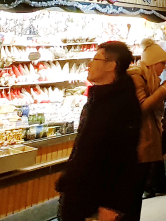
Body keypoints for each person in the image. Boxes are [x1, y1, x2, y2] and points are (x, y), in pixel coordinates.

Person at [56, 41, 141, 221]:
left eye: (96, 59)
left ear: (111, 66)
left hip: (97, 198)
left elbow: (125, 157)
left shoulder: (123, 105)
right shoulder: (98, 98)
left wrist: (112, 204)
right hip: (80, 191)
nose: (90, 64)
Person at [126, 39, 166, 220]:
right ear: (152, 63)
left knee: (137, 192)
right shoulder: (136, 77)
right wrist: (164, 88)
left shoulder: (151, 78)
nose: (164, 67)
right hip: (139, 140)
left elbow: (156, 105)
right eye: (162, 63)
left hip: (149, 137)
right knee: (133, 195)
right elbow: (142, 106)